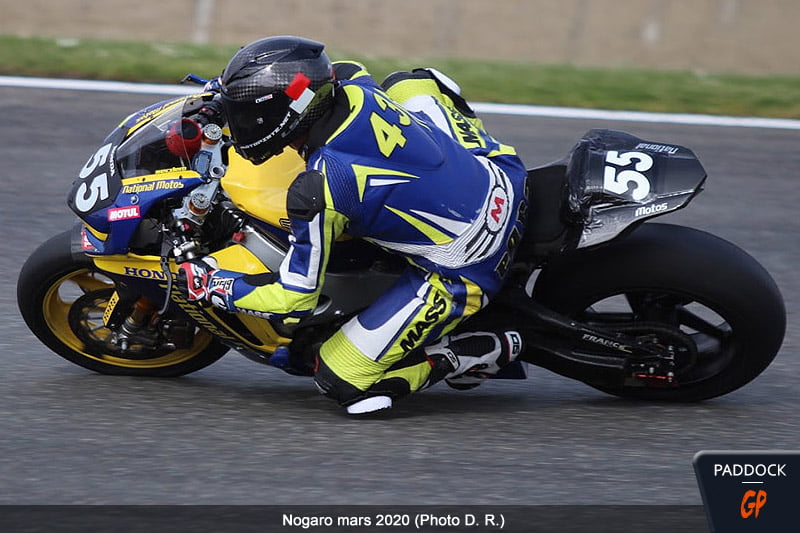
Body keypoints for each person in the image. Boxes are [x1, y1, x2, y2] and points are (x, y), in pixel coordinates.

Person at [179, 35, 528, 414]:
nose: (242, 123)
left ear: (285, 115)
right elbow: (345, 68)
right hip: (500, 170)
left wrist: (211, 284)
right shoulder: (352, 88)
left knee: (341, 378)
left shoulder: (321, 186)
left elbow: (293, 300)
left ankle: (468, 352)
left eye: (247, 115)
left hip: (472, 259)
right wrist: (225, 94)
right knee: (409, 82)